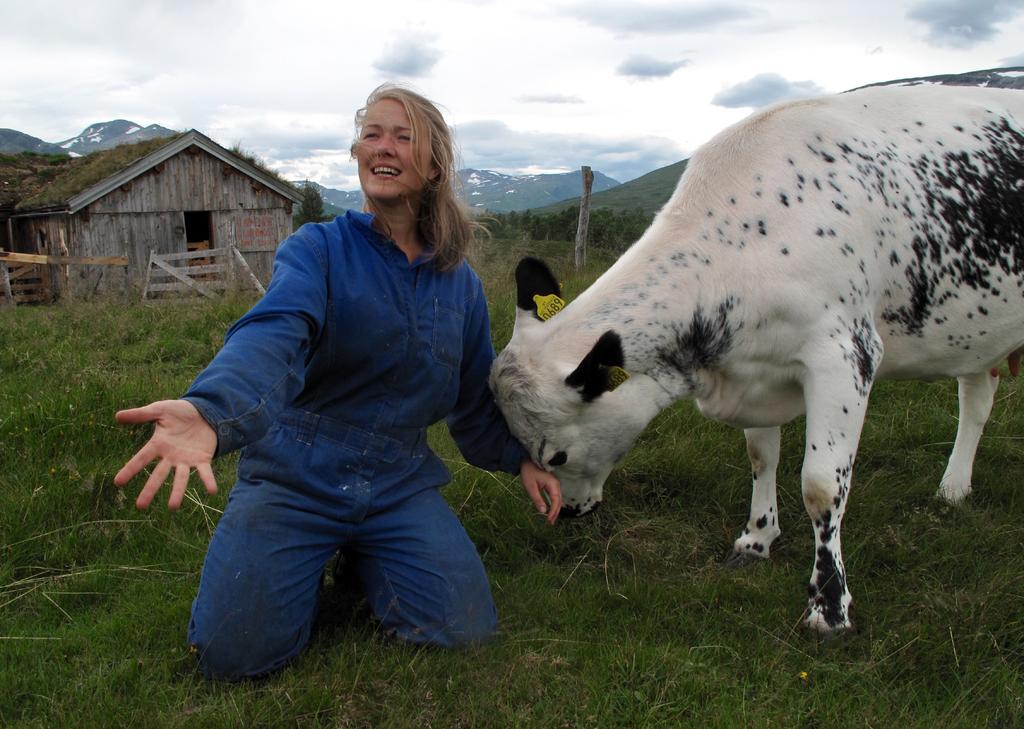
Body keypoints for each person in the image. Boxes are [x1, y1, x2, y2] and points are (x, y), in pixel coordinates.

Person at [113, 83, 562, 681]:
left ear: (432, 167)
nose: (384, 147)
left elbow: (472, 402)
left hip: (398, 481)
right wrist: (211, 409)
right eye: (372, 134)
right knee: (233, 658)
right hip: (296, 474)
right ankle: (305, 557)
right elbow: (274, 332)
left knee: (465, 631)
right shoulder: (318, 250)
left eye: (403, 137)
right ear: (356, 154)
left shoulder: (460, 287)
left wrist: (519, 458)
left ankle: (364, 554)